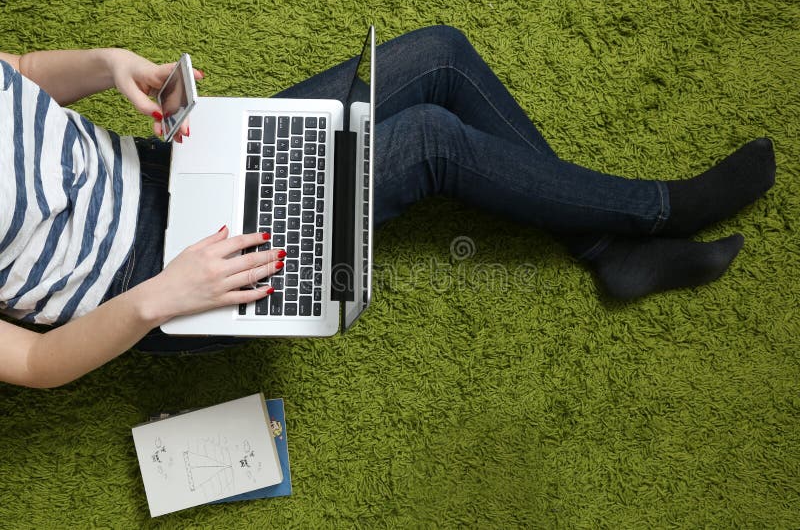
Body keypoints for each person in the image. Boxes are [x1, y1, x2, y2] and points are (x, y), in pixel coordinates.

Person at [0, 26, 776, 388]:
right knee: (433, 142)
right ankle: (659, 211)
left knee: (438, 57)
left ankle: (611, 254)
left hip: (173, 159)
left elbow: (24, 69)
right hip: (157, 281)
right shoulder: (157, 292)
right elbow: (33, 362)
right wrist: (164, 295)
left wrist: (106, 66)